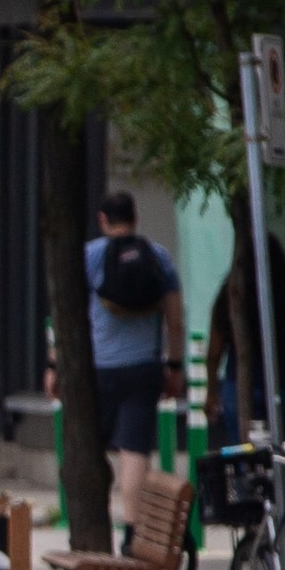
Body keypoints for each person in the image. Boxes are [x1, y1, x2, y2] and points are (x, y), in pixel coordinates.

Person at [83, 189, 186, 525]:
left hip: (99, 368)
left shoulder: (90, 256)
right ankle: (132, 529)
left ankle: (91, 524)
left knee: (89, 446)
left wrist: (55, 365)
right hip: (143, 368)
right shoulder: (157, 256)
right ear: (135, 219)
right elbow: (175, 319)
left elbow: (71, 314)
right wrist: (174, 366)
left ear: (102, 220)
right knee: (133, 452)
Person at [205, 234, 285, 442]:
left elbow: (215, 351)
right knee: (280, 450)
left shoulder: (231, 295)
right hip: (282, 384)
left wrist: (211, 391)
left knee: (241, 451)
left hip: (237, 384)